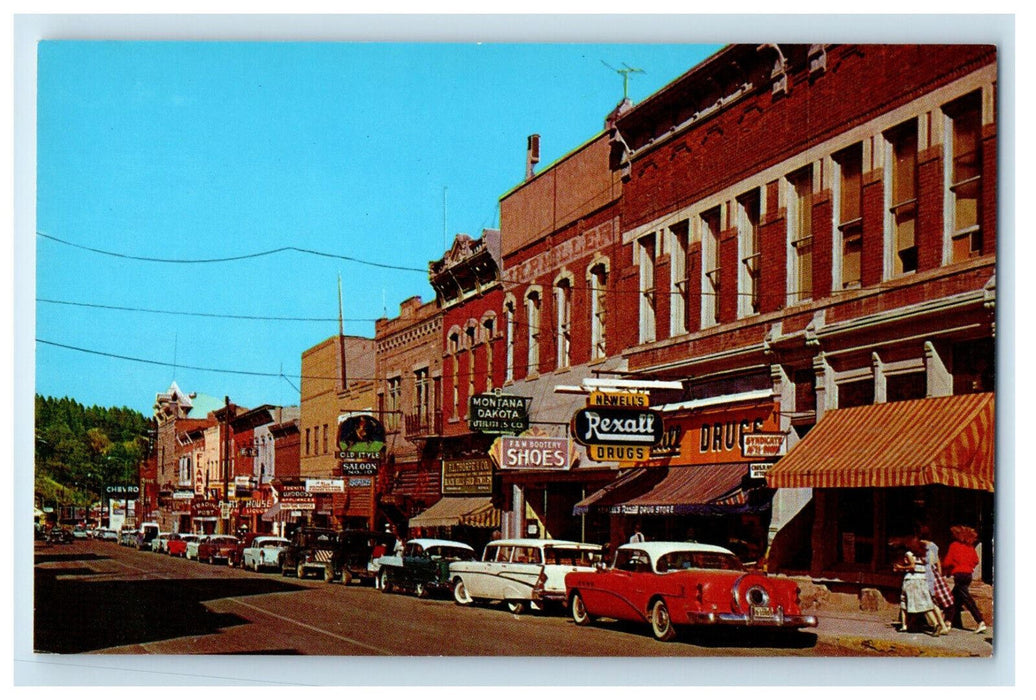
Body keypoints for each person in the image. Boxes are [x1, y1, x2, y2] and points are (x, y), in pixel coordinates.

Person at [893, 539, 946, 635]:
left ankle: (934, 624)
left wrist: (901, 568)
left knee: (913, 602)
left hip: (913, 579)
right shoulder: (924, 555)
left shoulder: (909, 554)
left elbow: (912, 566)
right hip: (923, 578)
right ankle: (934, 623)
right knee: (926, 602)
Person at [943, 525, 987, 633]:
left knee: (967, 599)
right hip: (968, 575)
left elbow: (947, 562)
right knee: (953, 598)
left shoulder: (954, 545)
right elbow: (976, 560)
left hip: (959, 574)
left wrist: (949, 568)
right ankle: (948, 622)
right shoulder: (970, 547)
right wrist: (968, 566)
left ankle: (980, 621)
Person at [918, 526, 953, 631]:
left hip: (925, 572)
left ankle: (935, 623)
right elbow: (937, 561)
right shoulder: (934, 545)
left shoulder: (920, 545)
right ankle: (938, 623)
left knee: (927, 598)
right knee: (935, 598)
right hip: (934, 573)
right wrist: (940, 574)